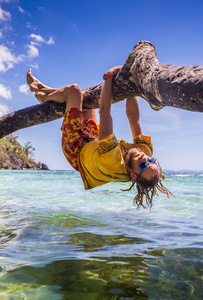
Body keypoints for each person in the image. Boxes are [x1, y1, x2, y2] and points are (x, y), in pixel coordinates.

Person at [27, 66, 173, 209]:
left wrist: (109, 77)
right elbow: (134, 117)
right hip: (94, 145)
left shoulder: (113, 160)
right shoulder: (144, 151)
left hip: (77, 151)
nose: (144, 159)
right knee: (87, 100)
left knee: (74, 90)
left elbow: (105, 112)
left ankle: (43, 96)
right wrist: (131, 83)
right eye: (150, 161)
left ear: (133, 176)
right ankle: (42, 88)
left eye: (143, 166)